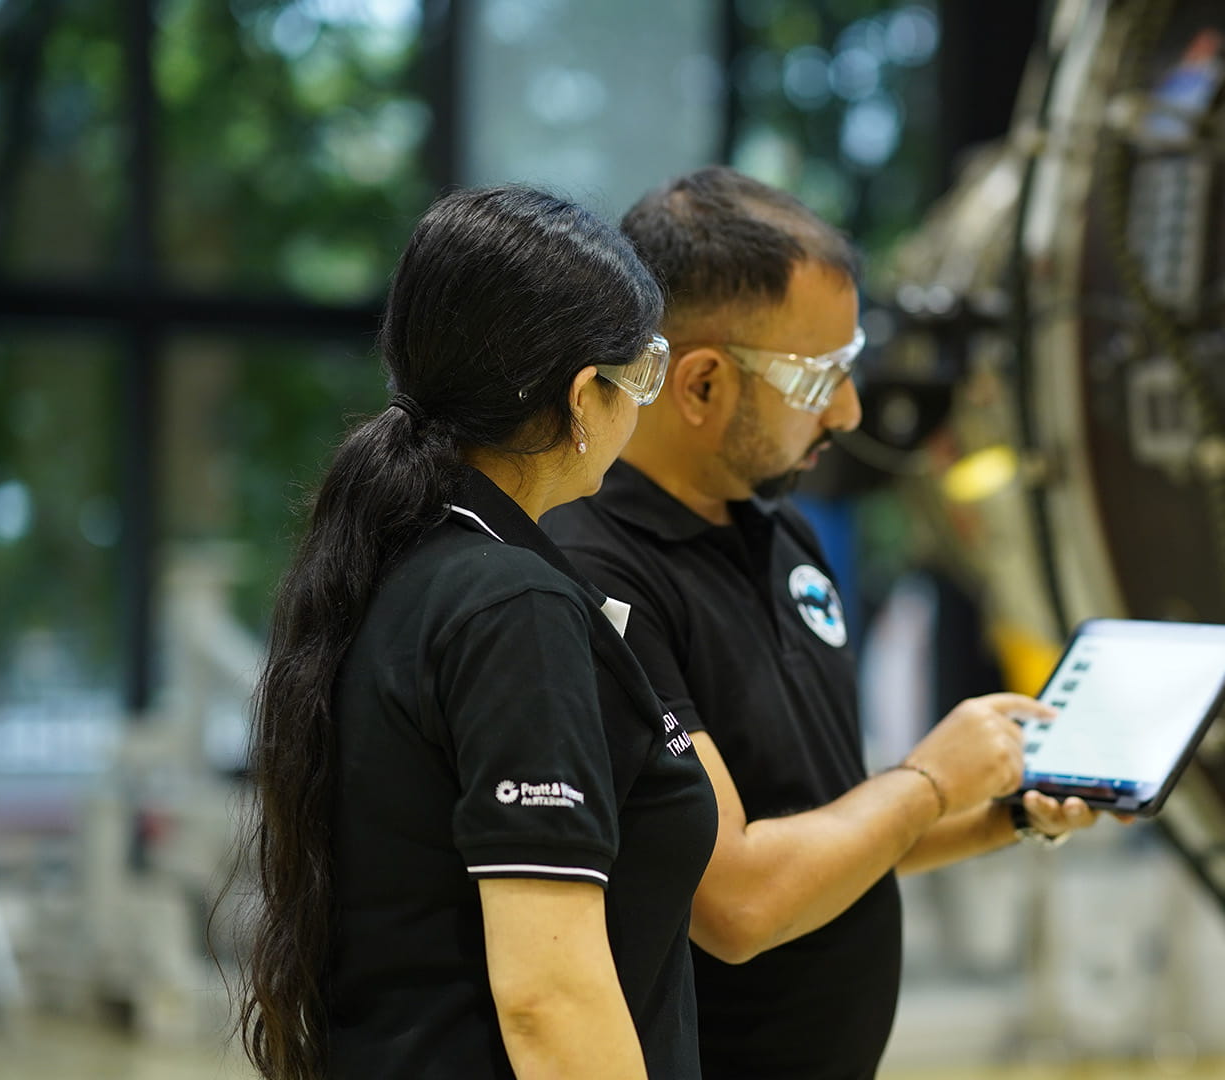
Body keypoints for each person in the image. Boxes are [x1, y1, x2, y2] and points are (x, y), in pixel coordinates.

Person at [543, 166, 1104, 1080]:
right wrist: (929, 777)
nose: (847, 411)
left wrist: (1001, 814)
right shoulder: (595, 572)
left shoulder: (779, 532)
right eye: (820, 377)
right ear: (700, 385)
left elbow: (825, 825)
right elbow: (736, 902)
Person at [239, 185, 717, 1080]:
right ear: (585, 399)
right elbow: (549, 1000)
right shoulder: (511, 609)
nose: (642, 405)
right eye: (641, 375)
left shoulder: (406, 560)